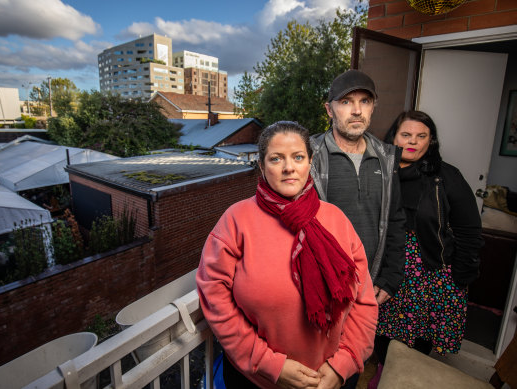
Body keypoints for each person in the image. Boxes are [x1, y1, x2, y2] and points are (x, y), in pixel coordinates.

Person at [197, 121, 378, 389]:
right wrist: (267, 363)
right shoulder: (236, 220)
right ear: (261, 166)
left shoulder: (337, 220)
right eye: (276, 159)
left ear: (310, 162)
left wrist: (344, 364)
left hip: (331, 378)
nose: (289, 168)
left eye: (298, 157)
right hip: (258, 378)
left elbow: (363, 302)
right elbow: (214, 296)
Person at [370, 110, 483, 387]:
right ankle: (384, 376)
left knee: (416, 342)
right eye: (406, 135)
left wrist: (460, 276)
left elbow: (469, 230)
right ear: (393, 138)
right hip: (387, 266)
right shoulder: (379, 172)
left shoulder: (445, 177)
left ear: (431, 141)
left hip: (430, 272)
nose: (413, 142)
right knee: (380, 333)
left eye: (422, 136)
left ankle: (399, 380)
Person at [310, 70, 406, 306]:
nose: (356, 110)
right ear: (329, 110)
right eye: (346, 102)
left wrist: (390, 278)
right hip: (321, 286)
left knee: (361, 344)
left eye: (365, 101)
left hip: (369, 286)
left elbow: (395, 221)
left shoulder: (386, 158)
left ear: (373, 107)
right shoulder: (308, 157)